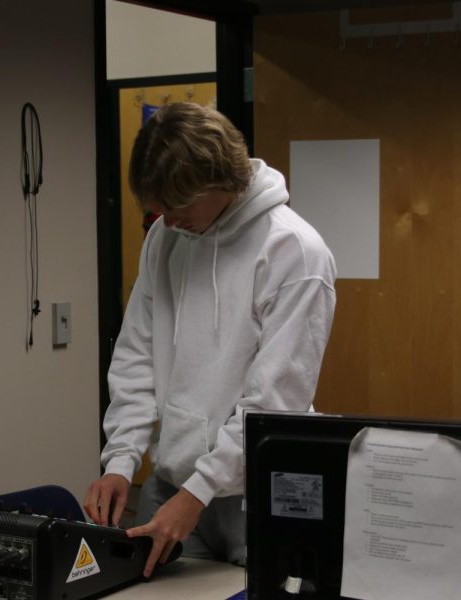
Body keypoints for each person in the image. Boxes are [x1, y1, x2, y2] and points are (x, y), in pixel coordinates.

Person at [83, 103, 336, 577]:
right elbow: (136, 354)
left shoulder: (294, 253)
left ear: (222, 183)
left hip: (257, 493)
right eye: (160, 210)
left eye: (178, 207)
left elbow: (273, 404)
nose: (170, 222)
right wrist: (121, 459)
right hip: (172, 484)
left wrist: (199, 492)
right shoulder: (166, 239)